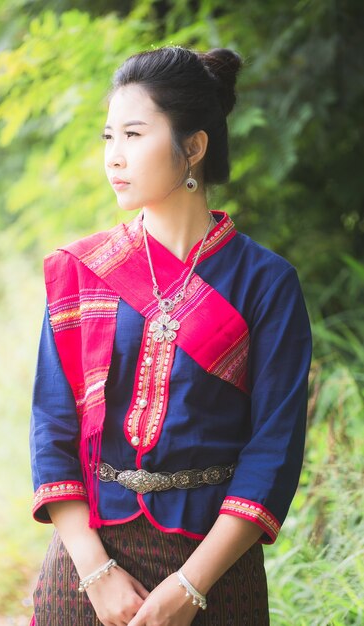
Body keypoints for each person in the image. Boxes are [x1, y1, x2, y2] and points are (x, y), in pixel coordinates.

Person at [29, 46, 312, 626]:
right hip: (91, 563)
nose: (114, 157)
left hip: (215, 569)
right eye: (108, 137)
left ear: (194, 146)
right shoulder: (84, 271)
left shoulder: (266, 283)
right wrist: (98, 575)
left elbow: (273, 450)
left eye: (133, 135)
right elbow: (52, 428)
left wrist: (190, 587)